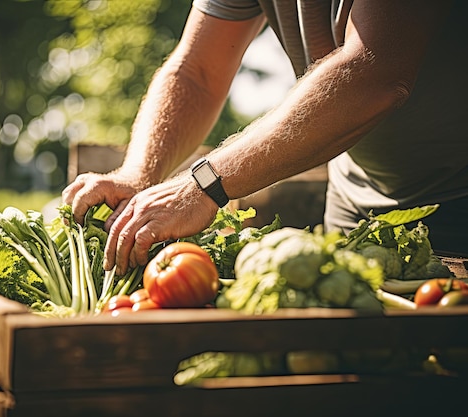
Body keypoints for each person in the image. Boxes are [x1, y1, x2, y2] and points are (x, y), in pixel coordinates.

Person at [62, 0, 468, 276]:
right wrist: (139, 174)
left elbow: (374, 72)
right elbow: (197, 73)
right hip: (355, 209)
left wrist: (203, 184)